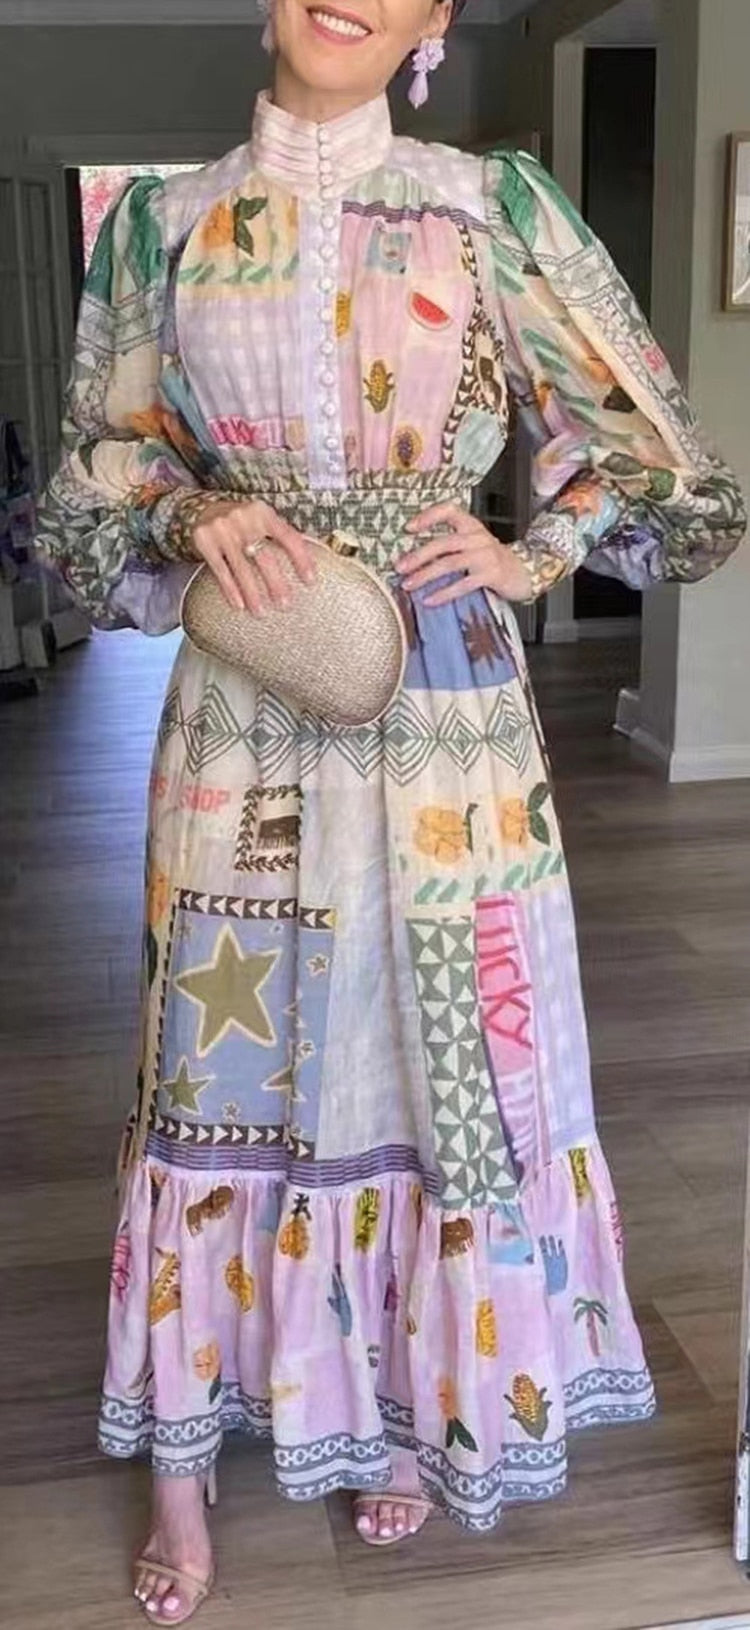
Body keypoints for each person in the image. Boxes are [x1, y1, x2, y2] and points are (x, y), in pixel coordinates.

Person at [37, 0, 746, 1623]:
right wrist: (189, 506)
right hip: (247, 703)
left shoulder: (489, 209)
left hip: (444, 719)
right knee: (217, 1060)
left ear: (435, 17)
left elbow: (671, 472)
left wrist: (531, 549)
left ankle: (400, 1405)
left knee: (438, 1060)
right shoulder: (162, 224)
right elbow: (83, 488)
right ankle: (181, 1465)